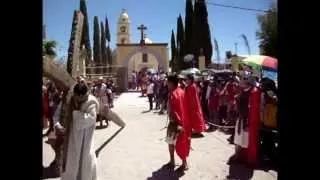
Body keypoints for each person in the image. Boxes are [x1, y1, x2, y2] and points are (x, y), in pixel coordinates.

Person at [61, 83, 99, 180]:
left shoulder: (91, 102)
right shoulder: (72, 100)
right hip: (73, 137)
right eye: (76, 96)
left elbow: (91, 118)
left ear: (84, 95)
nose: (78, 99)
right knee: (72, 159)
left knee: (85, 160)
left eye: (79, 97)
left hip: (86, 138)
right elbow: (65, 114)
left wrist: (76, 114)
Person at [229, 76, 261, 167]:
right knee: (239, 139)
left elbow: (250, 109)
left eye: (244, 82)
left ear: (249, 84)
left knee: (245, 140)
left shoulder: (253, 93)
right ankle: (239, 157)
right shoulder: (245, 92)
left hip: (246, 121)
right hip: (241, 119)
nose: (241, 83)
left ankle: (246, 159)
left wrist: (247, 122)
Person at [165, 75, 191, 171]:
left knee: (172, 142)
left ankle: (175, 162)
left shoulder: (173, 94)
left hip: (175, 123)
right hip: (183, 122)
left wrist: (175, 121)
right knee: (181, 142)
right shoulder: (181, 92)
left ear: (171, 83)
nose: (167, 84)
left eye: (168, 82)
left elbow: (173, 110)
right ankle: (183, 163)